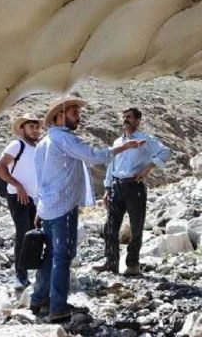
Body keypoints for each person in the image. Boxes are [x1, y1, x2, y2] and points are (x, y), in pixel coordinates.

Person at [30, 96, 145, 323]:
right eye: (74, 114)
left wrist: (38, 207)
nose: (78, 118)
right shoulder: (63, 139)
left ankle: (39, 299)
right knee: (62, 256)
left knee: (50, 255)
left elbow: (40, 179)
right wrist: (124, 147)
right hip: (62, 208)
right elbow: (93, 156)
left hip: (48, 208)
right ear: (60, 116)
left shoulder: (45, 141)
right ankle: (58, 307)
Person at [93, 107, 171, 276]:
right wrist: (107, 188)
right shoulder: (117, 142)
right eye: (124, 116)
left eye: (129, 117)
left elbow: (165, 151)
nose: (125, 119)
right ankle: (111, 262)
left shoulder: (145, 139)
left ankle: (132, 264)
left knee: (136, 227)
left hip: (135, 187)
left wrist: (148, 169)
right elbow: (111, 165)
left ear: (137, 120)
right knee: (110, 227)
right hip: (117, 186)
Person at [0, 113, 41, 290]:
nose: (35, 130)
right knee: (23, 233)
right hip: (17, 196)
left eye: (37, 127)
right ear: (22, 129)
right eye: (31, 127)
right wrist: (18, 185)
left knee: (34, 234)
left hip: (34, 198)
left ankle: (30, 272)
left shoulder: (36, 147)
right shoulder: (17, 144)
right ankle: (20, 275)